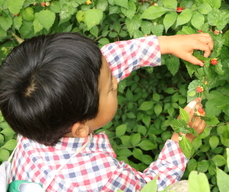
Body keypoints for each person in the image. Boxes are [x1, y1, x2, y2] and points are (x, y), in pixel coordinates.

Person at [0, 32, 213, 191]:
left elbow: (102, 64)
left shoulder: (34, 112)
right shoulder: (101, 176)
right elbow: (150, 187)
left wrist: (164, 44)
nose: (115, 82)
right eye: (110, 88)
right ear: (81, 129)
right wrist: (183, 139)